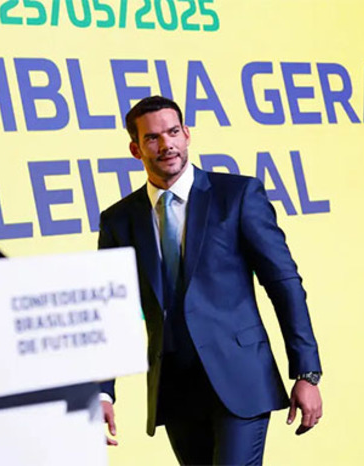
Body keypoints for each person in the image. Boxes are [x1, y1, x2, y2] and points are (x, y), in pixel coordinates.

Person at [98, 96, 322, 465]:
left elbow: (284, 284)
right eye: (152, 138)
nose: (166, 144)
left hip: (242, 379)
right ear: (135, 149)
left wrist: (306, 372)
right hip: (175, 389)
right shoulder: (119, 221)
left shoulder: (237, 196)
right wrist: (103, 393)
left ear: (186, 134)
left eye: (173, 132)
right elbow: (111, 313)